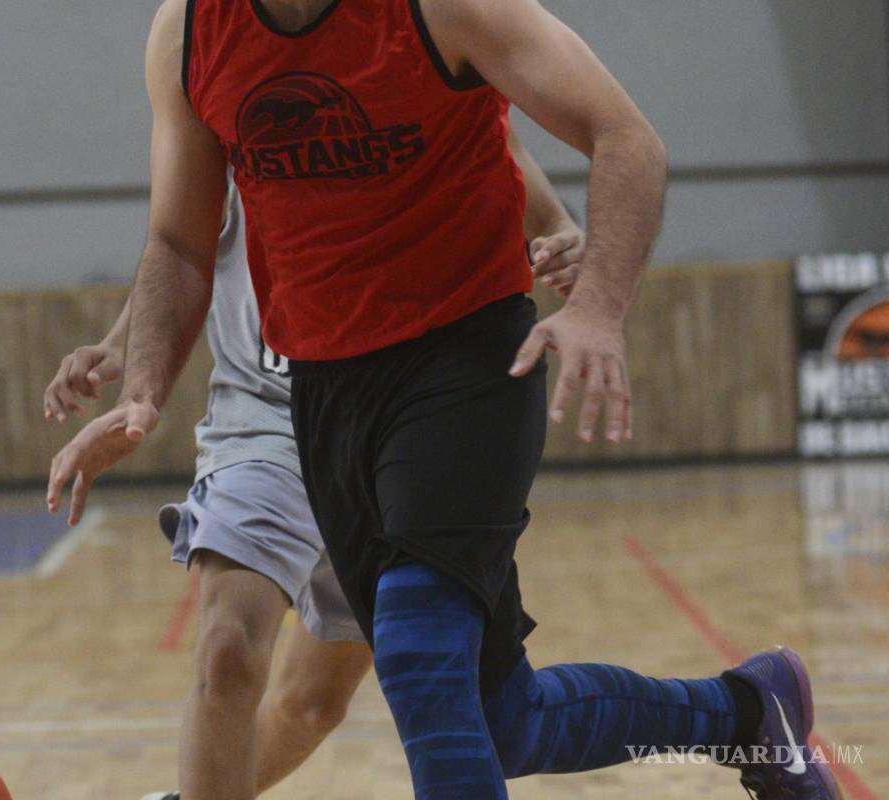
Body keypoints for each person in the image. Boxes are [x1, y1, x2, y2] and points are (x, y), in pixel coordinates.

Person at [47, 1, 841, 798]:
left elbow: (625, 136)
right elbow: (180, 240)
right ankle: (747, 714)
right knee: (504, 722)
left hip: (463, 357)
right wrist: (142, 391)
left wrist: (598, 303)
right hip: (322, 389)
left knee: (419, 653)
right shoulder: (188, 31)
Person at [45, 133, 587, 800]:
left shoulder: (410, 78)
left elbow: (496, 144)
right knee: (228, 646)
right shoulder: (214, 82)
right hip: (263, 415)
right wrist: (120, 346)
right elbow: (182, 238)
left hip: (382, 416)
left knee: (312, 704)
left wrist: (559, 226)